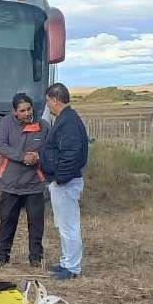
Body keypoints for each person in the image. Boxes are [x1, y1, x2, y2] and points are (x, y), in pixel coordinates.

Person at [0, 93, 49, 268]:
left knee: (36, 223)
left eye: (29, 109)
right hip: (11, 182)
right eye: (22, 110)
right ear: (15, 111)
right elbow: (1, 145)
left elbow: (51, 148)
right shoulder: (6, 123)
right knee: (7, 221)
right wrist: (22, 157)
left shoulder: (43, 125)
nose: (27, 113)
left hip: (35, 183)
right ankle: (1, 257)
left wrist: (38, 156)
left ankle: (36, 258)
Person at [39, 83, 89, 281]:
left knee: (69, 226)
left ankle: (72, 267)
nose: (48, 106)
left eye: (48, 102)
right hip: (62, 181)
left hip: (66, 183)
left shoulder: (68, 122)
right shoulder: (66, 119)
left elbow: (71, 154)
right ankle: (66, 261)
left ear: (55, 99)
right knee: (63, 225)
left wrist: (60, 178)